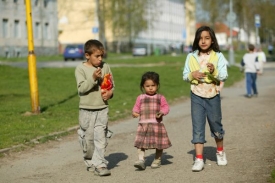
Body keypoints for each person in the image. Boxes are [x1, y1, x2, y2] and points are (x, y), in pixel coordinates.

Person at [182, 26, 228, 172]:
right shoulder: (191, 56)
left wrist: (214, 71)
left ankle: (220, 152)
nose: (203, 41)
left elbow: (224, 76)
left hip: (213, 95)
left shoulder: (218, 56)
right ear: (196, 40)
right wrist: (191, 75)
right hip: (196, 95)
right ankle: (199, 159)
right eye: (200, 38)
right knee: (197, 127)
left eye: (207, 38)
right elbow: (185, 75)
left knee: (216, 125)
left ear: (212, 40)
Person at [75, 39, 114, 176]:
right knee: (88, 140)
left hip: (102, 108)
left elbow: (110, 84)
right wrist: (92, 78)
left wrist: (110, 93)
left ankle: (100, 164)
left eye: (101, 56)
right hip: (86, 110)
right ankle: (90, 160)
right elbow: (82, 89)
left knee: (101, 137)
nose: (100, 59)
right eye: (97, 56)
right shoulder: (81, 69)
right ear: (87, 55)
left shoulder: (105, 67)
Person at [132, 71, 172, 170]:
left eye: (153, 85)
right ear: (143, 86)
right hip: (143, 125)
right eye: (147, 86)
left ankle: (157, 160)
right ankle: (141, 160)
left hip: (156, 125)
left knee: (159, 144)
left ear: (157, 85)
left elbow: (166, 107)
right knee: (141, 144)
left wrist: (162, 112)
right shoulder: (140, 98)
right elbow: (136, 109)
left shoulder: (160, 97)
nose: (150, 88)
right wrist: (135, 113)